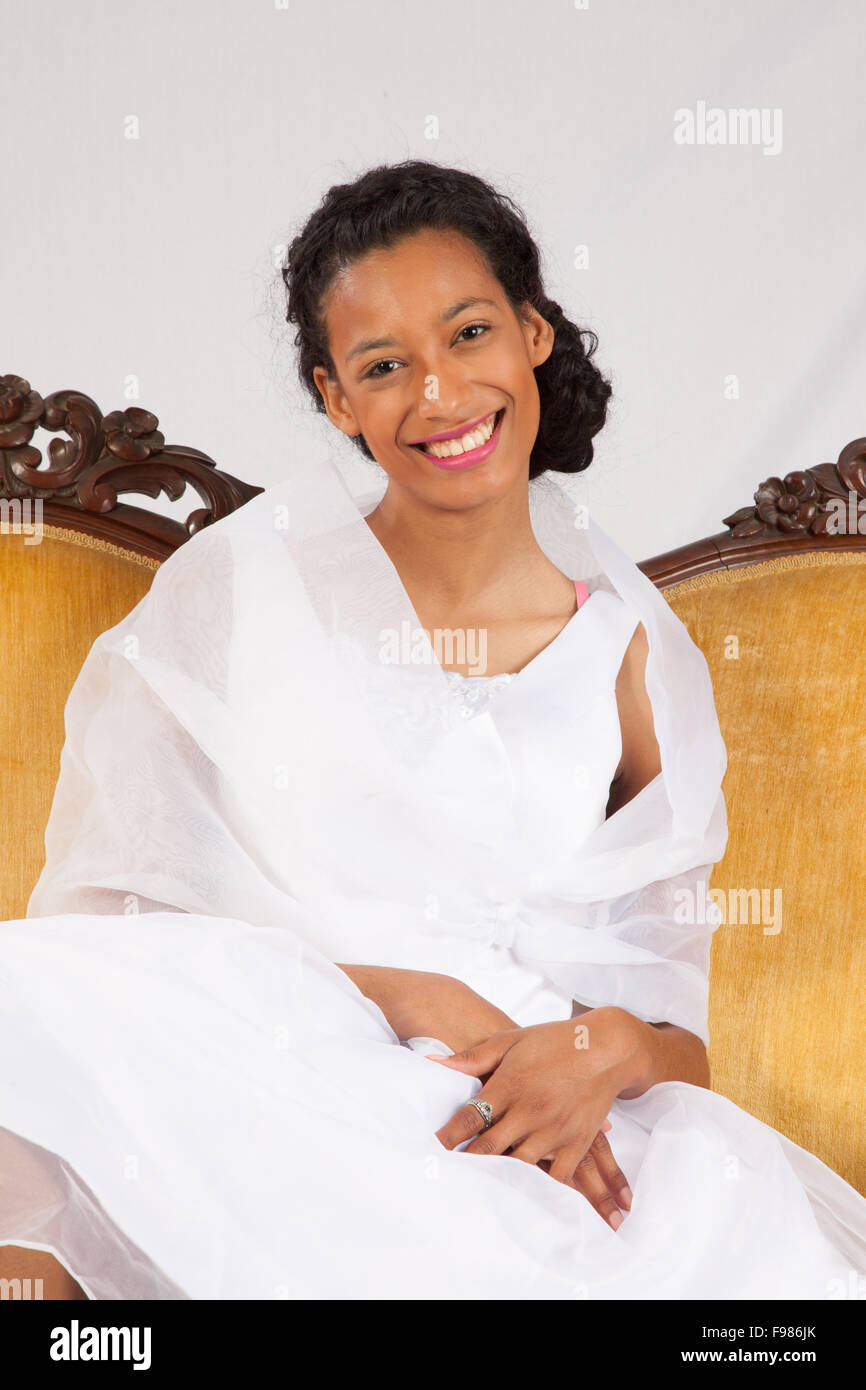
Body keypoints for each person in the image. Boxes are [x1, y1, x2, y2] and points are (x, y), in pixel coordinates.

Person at [1, 159, 864, 1301]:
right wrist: (400, 994)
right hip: (267, 1069)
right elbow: (114, 920)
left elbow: (674, 1034)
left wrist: (600, 1047)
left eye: (467, 334)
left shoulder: (628, 653)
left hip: (519, 1119)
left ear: (534, 334)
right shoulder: (248, 586)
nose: (440, 394)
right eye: (382, 365)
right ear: (333, 399)